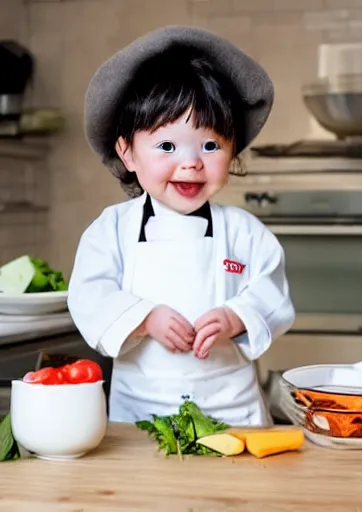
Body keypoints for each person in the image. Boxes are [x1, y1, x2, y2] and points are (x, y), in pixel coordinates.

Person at [67, 26, 295, 426]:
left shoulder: (245, 232)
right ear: (128, 153)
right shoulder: (111, 230)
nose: (191, 163)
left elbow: (271, 292)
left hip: (231, 410)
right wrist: (144, 317)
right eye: (167, 147)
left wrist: (236, 317)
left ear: (232, 149)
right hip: (139, 411)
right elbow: (90, 294)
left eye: (210, 146)